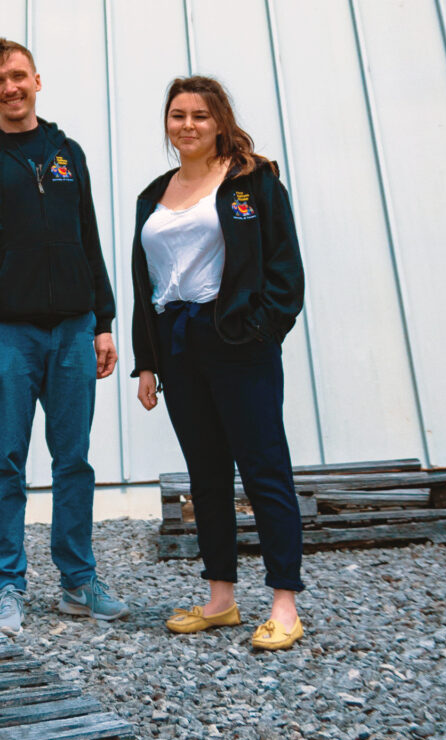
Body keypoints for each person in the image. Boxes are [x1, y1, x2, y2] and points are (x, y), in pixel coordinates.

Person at [0, 36, 131, 636]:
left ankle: (77, 582)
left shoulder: (66, 151)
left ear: (37, 80)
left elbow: (88, 237)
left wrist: (103, 320)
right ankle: (8, 588)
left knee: (74, 461)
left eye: (19, 76)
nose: (11, 88)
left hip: (73, 333)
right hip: (5, 337)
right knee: (7, 464)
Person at [130, 76, 306, 650]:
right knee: (206, 476)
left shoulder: (251, 181)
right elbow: (146, 283)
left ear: (220, 120)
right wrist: (148, 361)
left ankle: (284, 603)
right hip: (179, 345)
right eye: (177, 115)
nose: (187, 125)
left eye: (200, 116)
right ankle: (221, 599)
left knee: (263, 470)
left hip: (236, 341)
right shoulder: (153, 194)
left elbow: (285, 270)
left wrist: (260, 332)